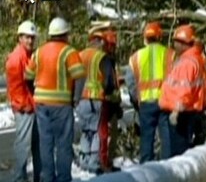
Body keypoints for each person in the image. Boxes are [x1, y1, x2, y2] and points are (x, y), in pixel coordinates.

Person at [24, 17, 85, 182]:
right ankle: (63, 179)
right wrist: (76, 98)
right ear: (65, 34)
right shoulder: (69, 52)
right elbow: (79, 76)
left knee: (46, 144)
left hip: (42, 105)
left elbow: (27, 76)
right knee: (63, 145)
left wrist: (36, 92)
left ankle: (47, 178)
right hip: (62, 106)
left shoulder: (39, 52)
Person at [74, 21, 122, 173]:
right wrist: (113, 98)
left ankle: (84, 161)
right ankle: (95, 164)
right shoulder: (102, 57)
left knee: (85, 131)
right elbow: (109, 82)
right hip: (96, 99)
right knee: (96, 133)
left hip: (80, 100)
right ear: (100, 42)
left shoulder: (78, 55)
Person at [126, 21, 175, 163]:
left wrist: (136, 99)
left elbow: (130, 82)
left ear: (145, 38)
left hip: (146, 104)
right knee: (167, 138)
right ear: (160, 37)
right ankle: (168, 170)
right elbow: (177, 79)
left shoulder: (135, 57)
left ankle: (146, 171)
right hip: (165, 103)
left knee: (146, 139)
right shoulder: (169, 54)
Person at [159, 24, 206, 156]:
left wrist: (176, 110)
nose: (174, 45)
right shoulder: (194, 59)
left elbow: (184, 89)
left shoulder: (187, 62)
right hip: (187, 112)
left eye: (176, 42)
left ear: (183, 43)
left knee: (177, 153)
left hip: (181, 114)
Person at [6, 20, 41, 182]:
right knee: (23, 145)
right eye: (27, 37)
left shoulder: (28, 55)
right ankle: (19, 178)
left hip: (31, 106)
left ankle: (39, 176)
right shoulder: (16, 58)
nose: (30, 41)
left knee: (37, 144)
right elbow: (16, 87)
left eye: (32, 38)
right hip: (24, 108)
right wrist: (24, 105)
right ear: (20, 38)